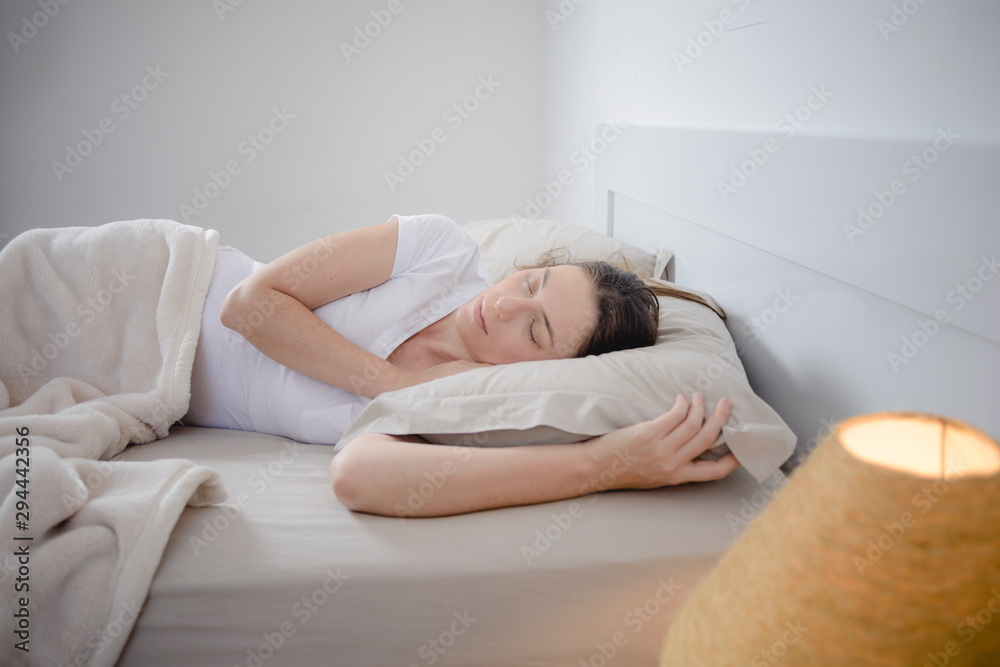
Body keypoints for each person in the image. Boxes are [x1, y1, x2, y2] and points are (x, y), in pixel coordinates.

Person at [181, 213, 739, 517]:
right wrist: (394, 383)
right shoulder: (440, 250)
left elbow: (357, 478)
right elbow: (247, 304)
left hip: (153, 395)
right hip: (165, 286)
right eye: (531, 284)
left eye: (535, 330)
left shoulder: (471, 399)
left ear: (552, 371)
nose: (504, 307)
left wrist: (601, 465)